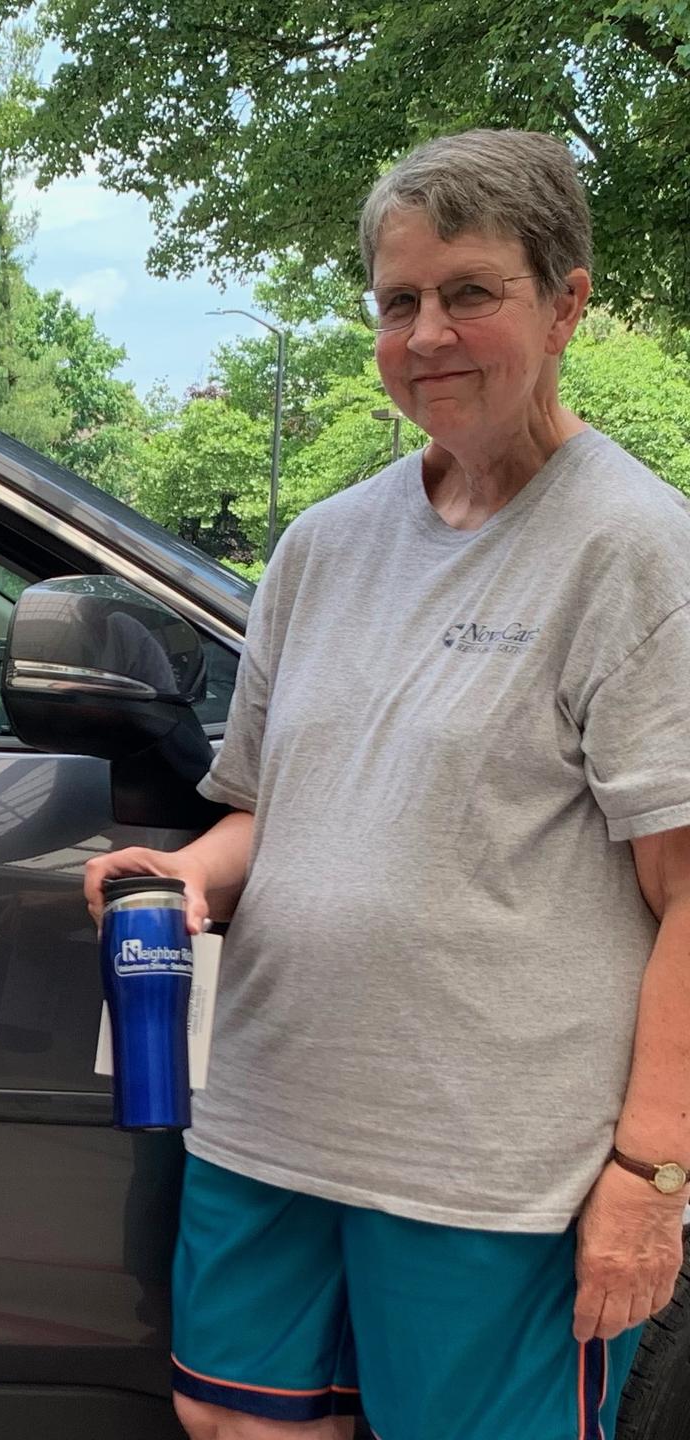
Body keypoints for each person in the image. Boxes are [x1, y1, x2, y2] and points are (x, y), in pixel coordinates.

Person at [85, 128, 690, 1440]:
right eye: (399, 301)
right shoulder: (324, 545)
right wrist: (194, 876)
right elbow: (265, 809)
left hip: (490, 1168)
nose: (428, 334)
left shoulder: (632, 550)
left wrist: (651, 1171)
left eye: (470, 293)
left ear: (568, 301)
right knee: (237, 1426)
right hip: (273, 1119)